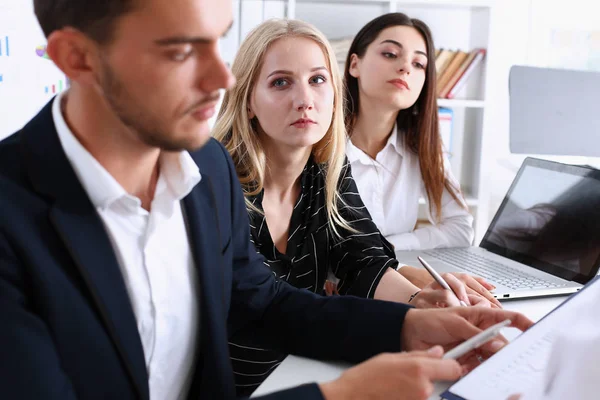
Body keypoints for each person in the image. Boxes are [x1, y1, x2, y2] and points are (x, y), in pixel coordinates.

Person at [0, 1, 532, 399]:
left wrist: (409, 325)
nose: (221, 79)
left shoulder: (202, 169)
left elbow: (263, 302)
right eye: (181, 50)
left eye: (219, 42)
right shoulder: (11, 215)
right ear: (77, 58)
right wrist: (338, 396)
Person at [213, 18, 496, 395]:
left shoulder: (326, 170)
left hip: (301, 368)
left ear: (334, 92)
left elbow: (359, 255)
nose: (305, 99)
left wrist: (419, 303)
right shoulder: (218, 178)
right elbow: (256, 307)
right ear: (248, 101)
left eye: (317, 80)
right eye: (281, 82)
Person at [342, 13, 499, 300]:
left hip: (394, 289)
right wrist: (391, 258)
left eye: (419, 64)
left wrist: (387, 245)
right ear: (355, 64)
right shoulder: (321, 143)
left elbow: (460, 228)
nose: (405, 68)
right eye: (390, 54)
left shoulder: (422, 145)